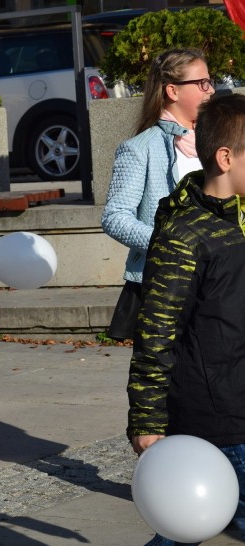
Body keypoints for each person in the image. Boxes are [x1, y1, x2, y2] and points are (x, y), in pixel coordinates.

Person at [121, 93, 245, 546]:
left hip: (237, 393)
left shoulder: (237, 219)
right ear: (225, 158)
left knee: (201, 513)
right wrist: (147, 420)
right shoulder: (184, 234)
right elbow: (155, 332)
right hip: (215, 407)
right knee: (209, 509)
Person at [101, 48, 213, 342]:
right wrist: (167, 244)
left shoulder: (219, 141)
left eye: (210, 81)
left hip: (219, 278)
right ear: (173, 91)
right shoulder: (140, 148)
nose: (211, 89)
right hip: (167, 283)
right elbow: (115, 217)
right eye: (202, 83)